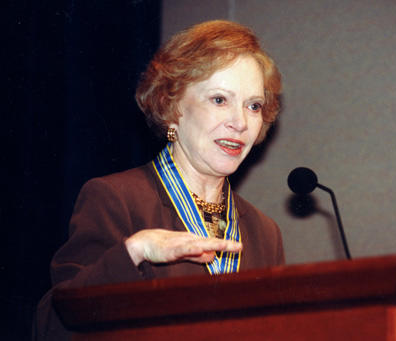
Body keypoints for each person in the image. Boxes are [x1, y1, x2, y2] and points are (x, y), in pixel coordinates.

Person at [35, 20, 284, 339]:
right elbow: (54, 324)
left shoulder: (265, 232)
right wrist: (134, 252)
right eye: (220, 100)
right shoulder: (116, 199)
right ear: (172, 105)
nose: (240, 122)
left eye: (253, 106)